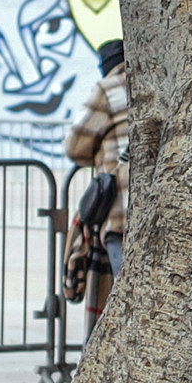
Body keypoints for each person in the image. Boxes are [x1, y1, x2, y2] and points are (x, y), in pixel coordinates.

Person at [66, 39, 133, 299]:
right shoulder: (159, 81)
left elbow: (75, 145)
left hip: (122, 213)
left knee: (126, 293)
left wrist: (100, 154)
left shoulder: (109, 89)